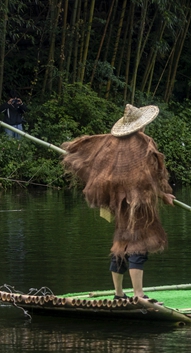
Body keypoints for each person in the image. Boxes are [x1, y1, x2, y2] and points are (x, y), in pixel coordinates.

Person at [61, 104, 175, 300]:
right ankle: (138, 294)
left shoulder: (110, 143)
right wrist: (162, 195)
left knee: (121, 244)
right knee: (138, 245)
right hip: (138, 205)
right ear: (141, 125)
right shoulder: (142, 143)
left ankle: (119, 293)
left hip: (120, 203)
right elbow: (146, 177)